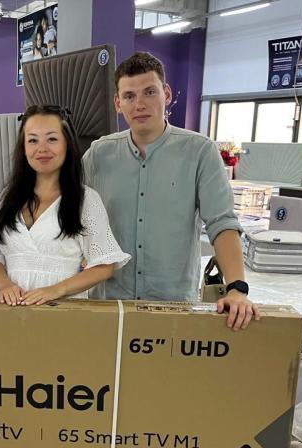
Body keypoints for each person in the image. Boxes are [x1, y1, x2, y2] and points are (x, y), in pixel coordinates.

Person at [83, 52, 258, 330]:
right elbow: (68, 213)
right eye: (129, 96)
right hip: (109, 304)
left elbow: (222, 223)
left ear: (166, 94)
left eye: (149, 92)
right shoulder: (97, 155)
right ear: (118, 103)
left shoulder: (200, 151)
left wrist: (237, 288)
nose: (139, 104)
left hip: (173, 307)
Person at [0, 105, 129, 306]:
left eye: (52, 139)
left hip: (63, 313)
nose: (42, 148)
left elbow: (105, 265)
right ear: (23, 147)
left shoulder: (85, 200)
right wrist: (5, 285)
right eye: (33, 140)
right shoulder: (8, 197)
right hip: (11, 313)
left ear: (67, 144)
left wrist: (55, 290)